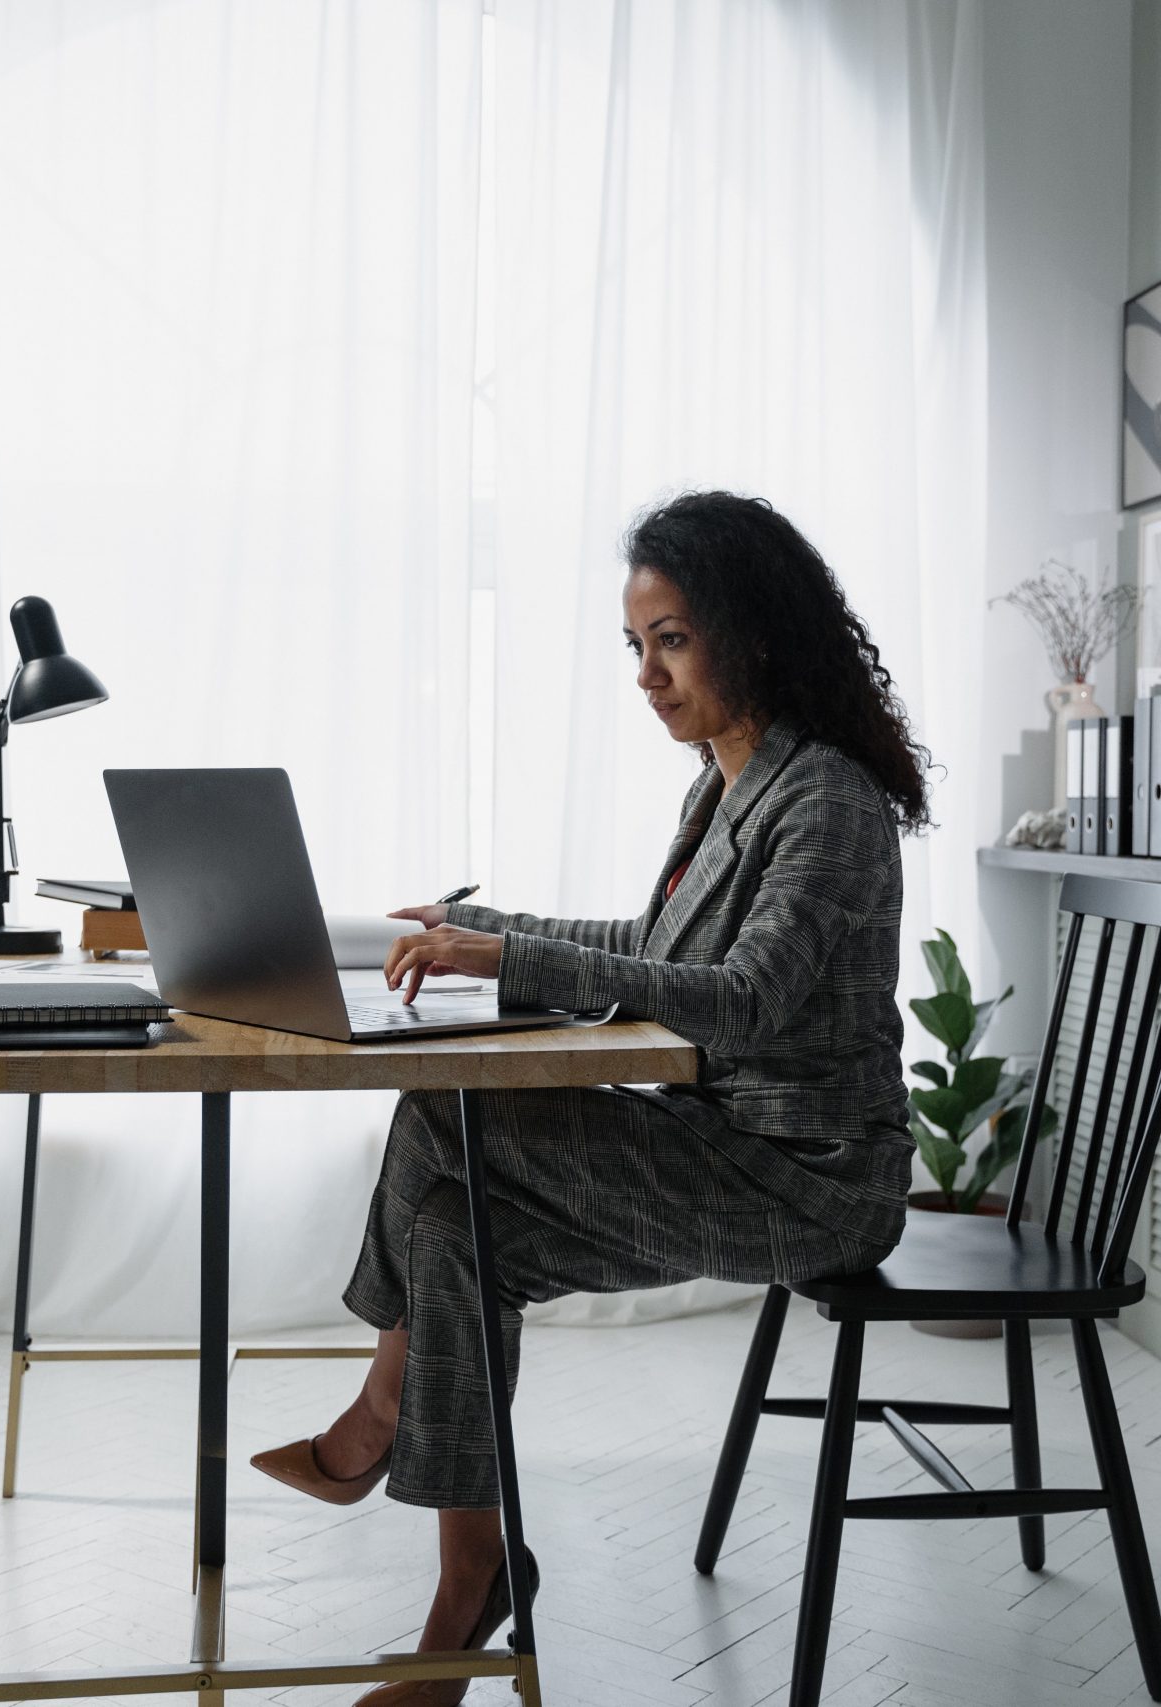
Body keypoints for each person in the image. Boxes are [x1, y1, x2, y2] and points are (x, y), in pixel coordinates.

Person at [250, 490, 932, 1704]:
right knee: (453, 1229)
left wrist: (508, 962)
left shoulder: (823, 798)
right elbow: (654, 940)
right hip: (721, 1143)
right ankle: (469, 1588)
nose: (647, 675)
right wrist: (491, 925)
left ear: (753, 631)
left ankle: (375, 1419)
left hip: (810, 1180)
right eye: (636, 645)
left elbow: (740, 1001)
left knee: (434, 1112)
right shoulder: (728, 783)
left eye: (672, 640)